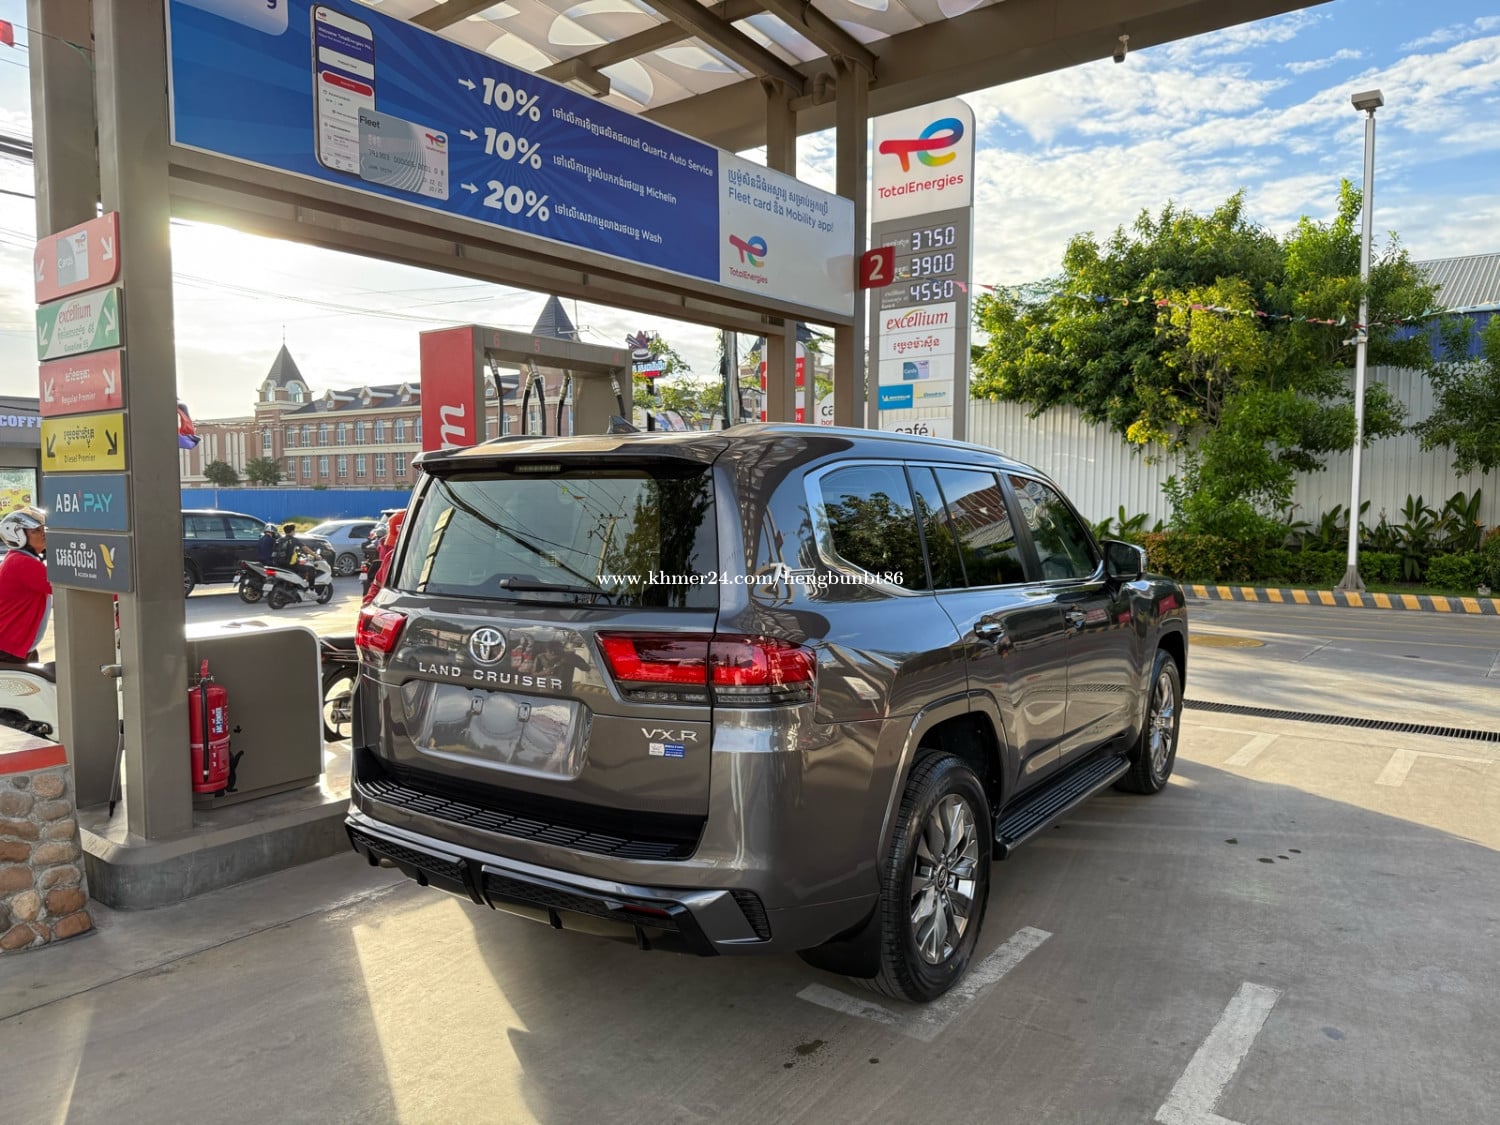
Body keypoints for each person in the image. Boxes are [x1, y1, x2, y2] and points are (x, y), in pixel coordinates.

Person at [0, 507, 52, 665]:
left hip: (18, 646)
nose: (44, 534)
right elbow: (65, 585)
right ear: (17, 535)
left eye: (43, 529)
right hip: (9, 649)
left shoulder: (18, 559)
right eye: (36, 531)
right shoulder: (22, 563)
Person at [362, 509, 405, 605]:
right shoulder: (390, 556)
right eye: (394, 542)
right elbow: (376, 585)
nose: (394, 546)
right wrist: (368, 601)